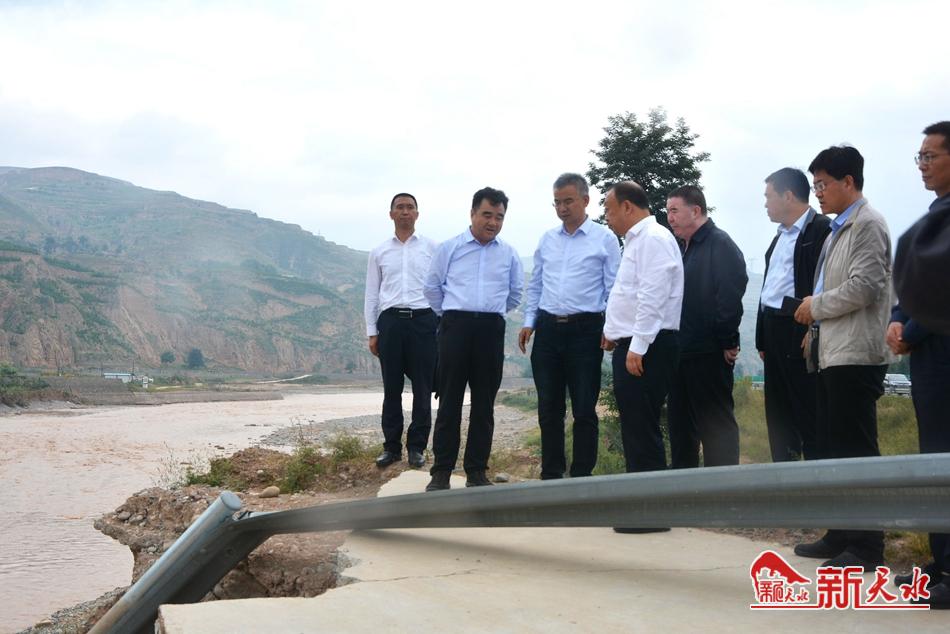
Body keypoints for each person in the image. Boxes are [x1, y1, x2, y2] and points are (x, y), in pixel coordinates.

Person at [792, 145, 893, 571]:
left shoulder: (868, 224)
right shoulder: (838, 228)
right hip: (832, 352)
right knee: (834, 449)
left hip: (857, 354)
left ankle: (867, 545)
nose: (818, 193)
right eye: (814, 185)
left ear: (848, 181)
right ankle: (840, 533)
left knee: (856, 450)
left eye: (822, 184)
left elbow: (864, 287)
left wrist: (815, 307)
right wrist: (814, 330)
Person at [518, 173, 621, 480]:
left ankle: (581, 477)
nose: (562, 208)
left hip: (585, 331)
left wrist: (611, 327)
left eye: (568, 201)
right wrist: (529, 322)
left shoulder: (604, 239)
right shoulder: (548, 239)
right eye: (557, 203)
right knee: (549, 408)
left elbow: (613, 288)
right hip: (548, 330)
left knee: (584, 409)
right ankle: (551, 475)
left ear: (585, 200)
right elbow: (536, 284)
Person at [423, 187, 523, 491]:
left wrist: (488, 314)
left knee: (484, 405)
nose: (493, 222)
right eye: (487, 215)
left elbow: (514, 294)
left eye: (499, 217)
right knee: (449, 401)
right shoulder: (450, 248)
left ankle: (477, 471)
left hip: (491, 330)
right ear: (473, 213)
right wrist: (452, 316)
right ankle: (441, 472)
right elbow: (432, 288)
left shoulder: (509, 253)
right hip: (455, 327)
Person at [887, 122, 950, 607]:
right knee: (935, 458)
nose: (922, 166)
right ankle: (941, 560)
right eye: (920, 157)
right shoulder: (937, 213)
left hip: (942, 352)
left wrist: (910, 330)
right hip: (929, 357)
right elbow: (917, 280)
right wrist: (897, 318)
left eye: (931, 156)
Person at [602, 181, 682, 513]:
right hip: (638, 343)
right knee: (635, 427)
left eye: (609, 210)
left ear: (627, 207)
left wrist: (637, 345)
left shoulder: (653, 238)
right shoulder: (638, 240)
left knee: (642, 429)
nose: (606, 217)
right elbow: (630, 295)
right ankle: (641, 505)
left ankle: (650, 511)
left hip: (649, 347)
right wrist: (613, 331)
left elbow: (653, 296)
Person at [665, 185, 748, 469]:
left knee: (716, 429)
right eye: (667, 211)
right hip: (681, 353)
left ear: (696, 210)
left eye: (674, 211)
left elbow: (730, 298)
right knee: (680, 429)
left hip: (709, 354)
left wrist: (728, 341)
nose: (670, 218)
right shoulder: (683, 247)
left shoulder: (719, 244)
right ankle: (684, 488)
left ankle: (723, 488)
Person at [755, 168, 831, 462]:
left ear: (788, 195)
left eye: (768, 197)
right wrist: (762, 339)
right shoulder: (779, 237)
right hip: (773, 330)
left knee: (807, 412)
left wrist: (814, 329)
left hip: (799, 330)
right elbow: (768, 291)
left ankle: (815, 479)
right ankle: (783, 477)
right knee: (778, 414)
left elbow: (825, 286)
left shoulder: (820, 230)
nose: (765, 204)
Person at [363, 193, 438, 469]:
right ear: (391, 213)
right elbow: (372, 293)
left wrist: (440, 325)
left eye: (410, 207)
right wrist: (372, 331)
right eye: (400, 207)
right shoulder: (379, 252)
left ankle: (417, 447)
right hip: (391, 322)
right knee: (391, 388)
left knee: (423, 388)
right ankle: (391, 448)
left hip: (424, 321)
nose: (405, 211)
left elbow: (441, 287)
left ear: (417, 214)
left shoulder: (432, 248)